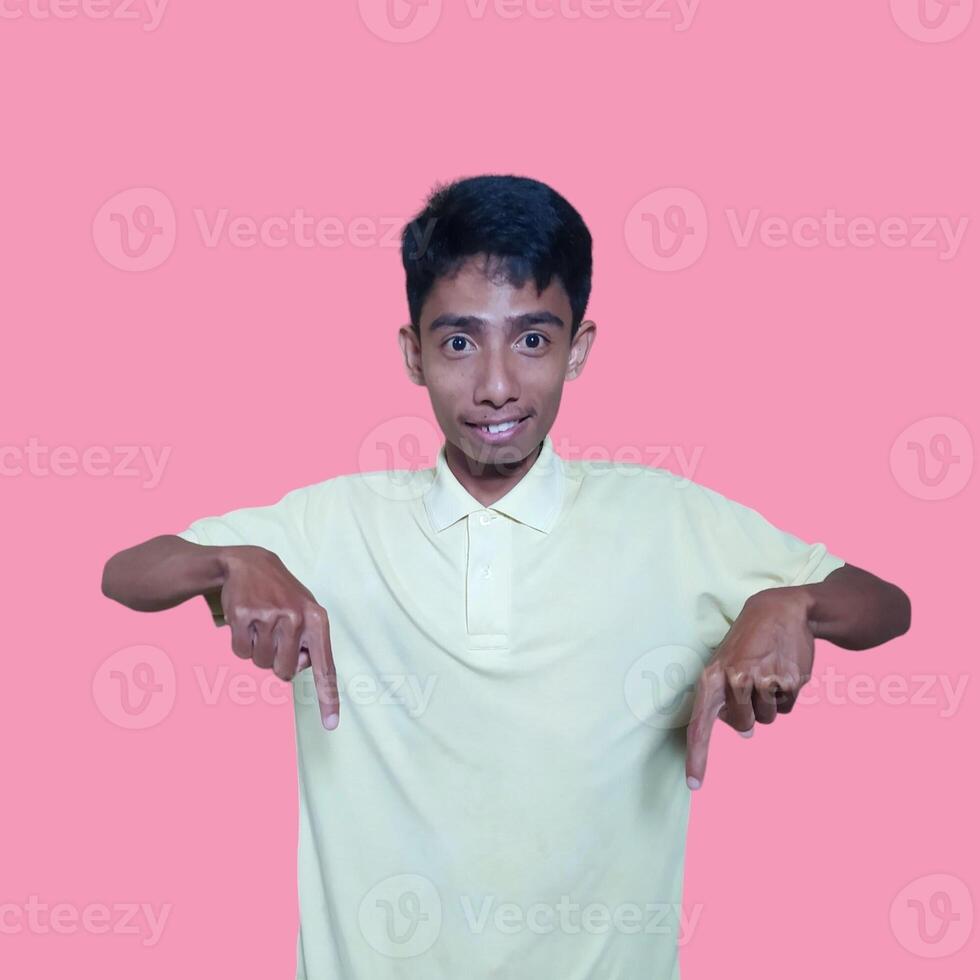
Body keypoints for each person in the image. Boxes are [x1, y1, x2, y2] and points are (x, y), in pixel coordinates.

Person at [101, 174, 911, 979]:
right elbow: (124, 573)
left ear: (579, 348)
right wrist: (231, 561)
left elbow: (886, 604)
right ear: (412, 355)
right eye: (459, 342)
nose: (495, 385)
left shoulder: (671, 521)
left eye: (532, 340)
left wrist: (790, 601)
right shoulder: (332, 526)